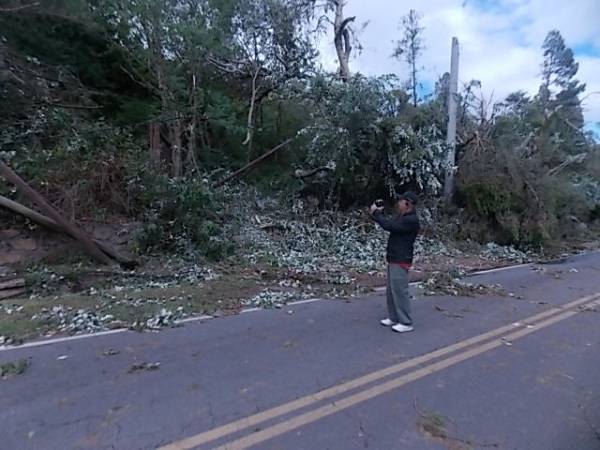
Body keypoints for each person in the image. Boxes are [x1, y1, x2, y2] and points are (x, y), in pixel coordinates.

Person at [369, 192, 420, 333]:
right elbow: (390, 223)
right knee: (391, 291)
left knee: (400, 291)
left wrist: (377, 215)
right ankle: (393, 317)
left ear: (407, 204)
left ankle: (406, 322)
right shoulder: (402, 217)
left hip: (401, 259)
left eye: (401, 201)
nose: (398, 203)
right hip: (393, 257)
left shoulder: (411, 220)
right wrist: (378, 213)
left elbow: (390, 226)